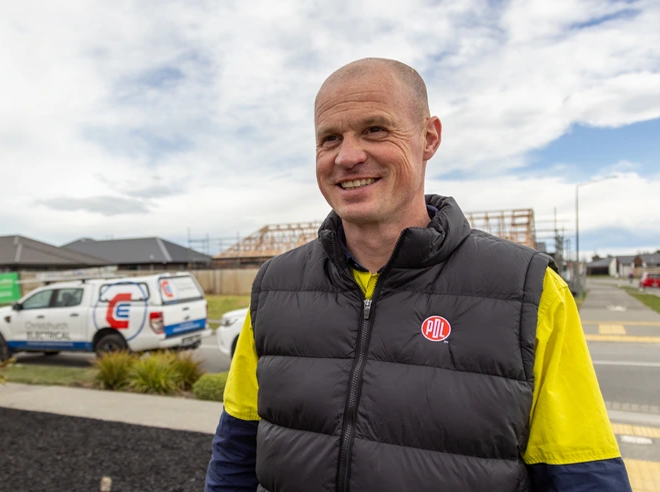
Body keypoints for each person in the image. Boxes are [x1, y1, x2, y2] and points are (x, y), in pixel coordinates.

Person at [205, 58, 631, 492]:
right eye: (329, 138)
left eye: (375, 129)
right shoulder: (276, 287)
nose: (347, 156)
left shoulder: (529, 289)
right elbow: (235, 454)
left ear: (429, 138)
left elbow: (584, 476)